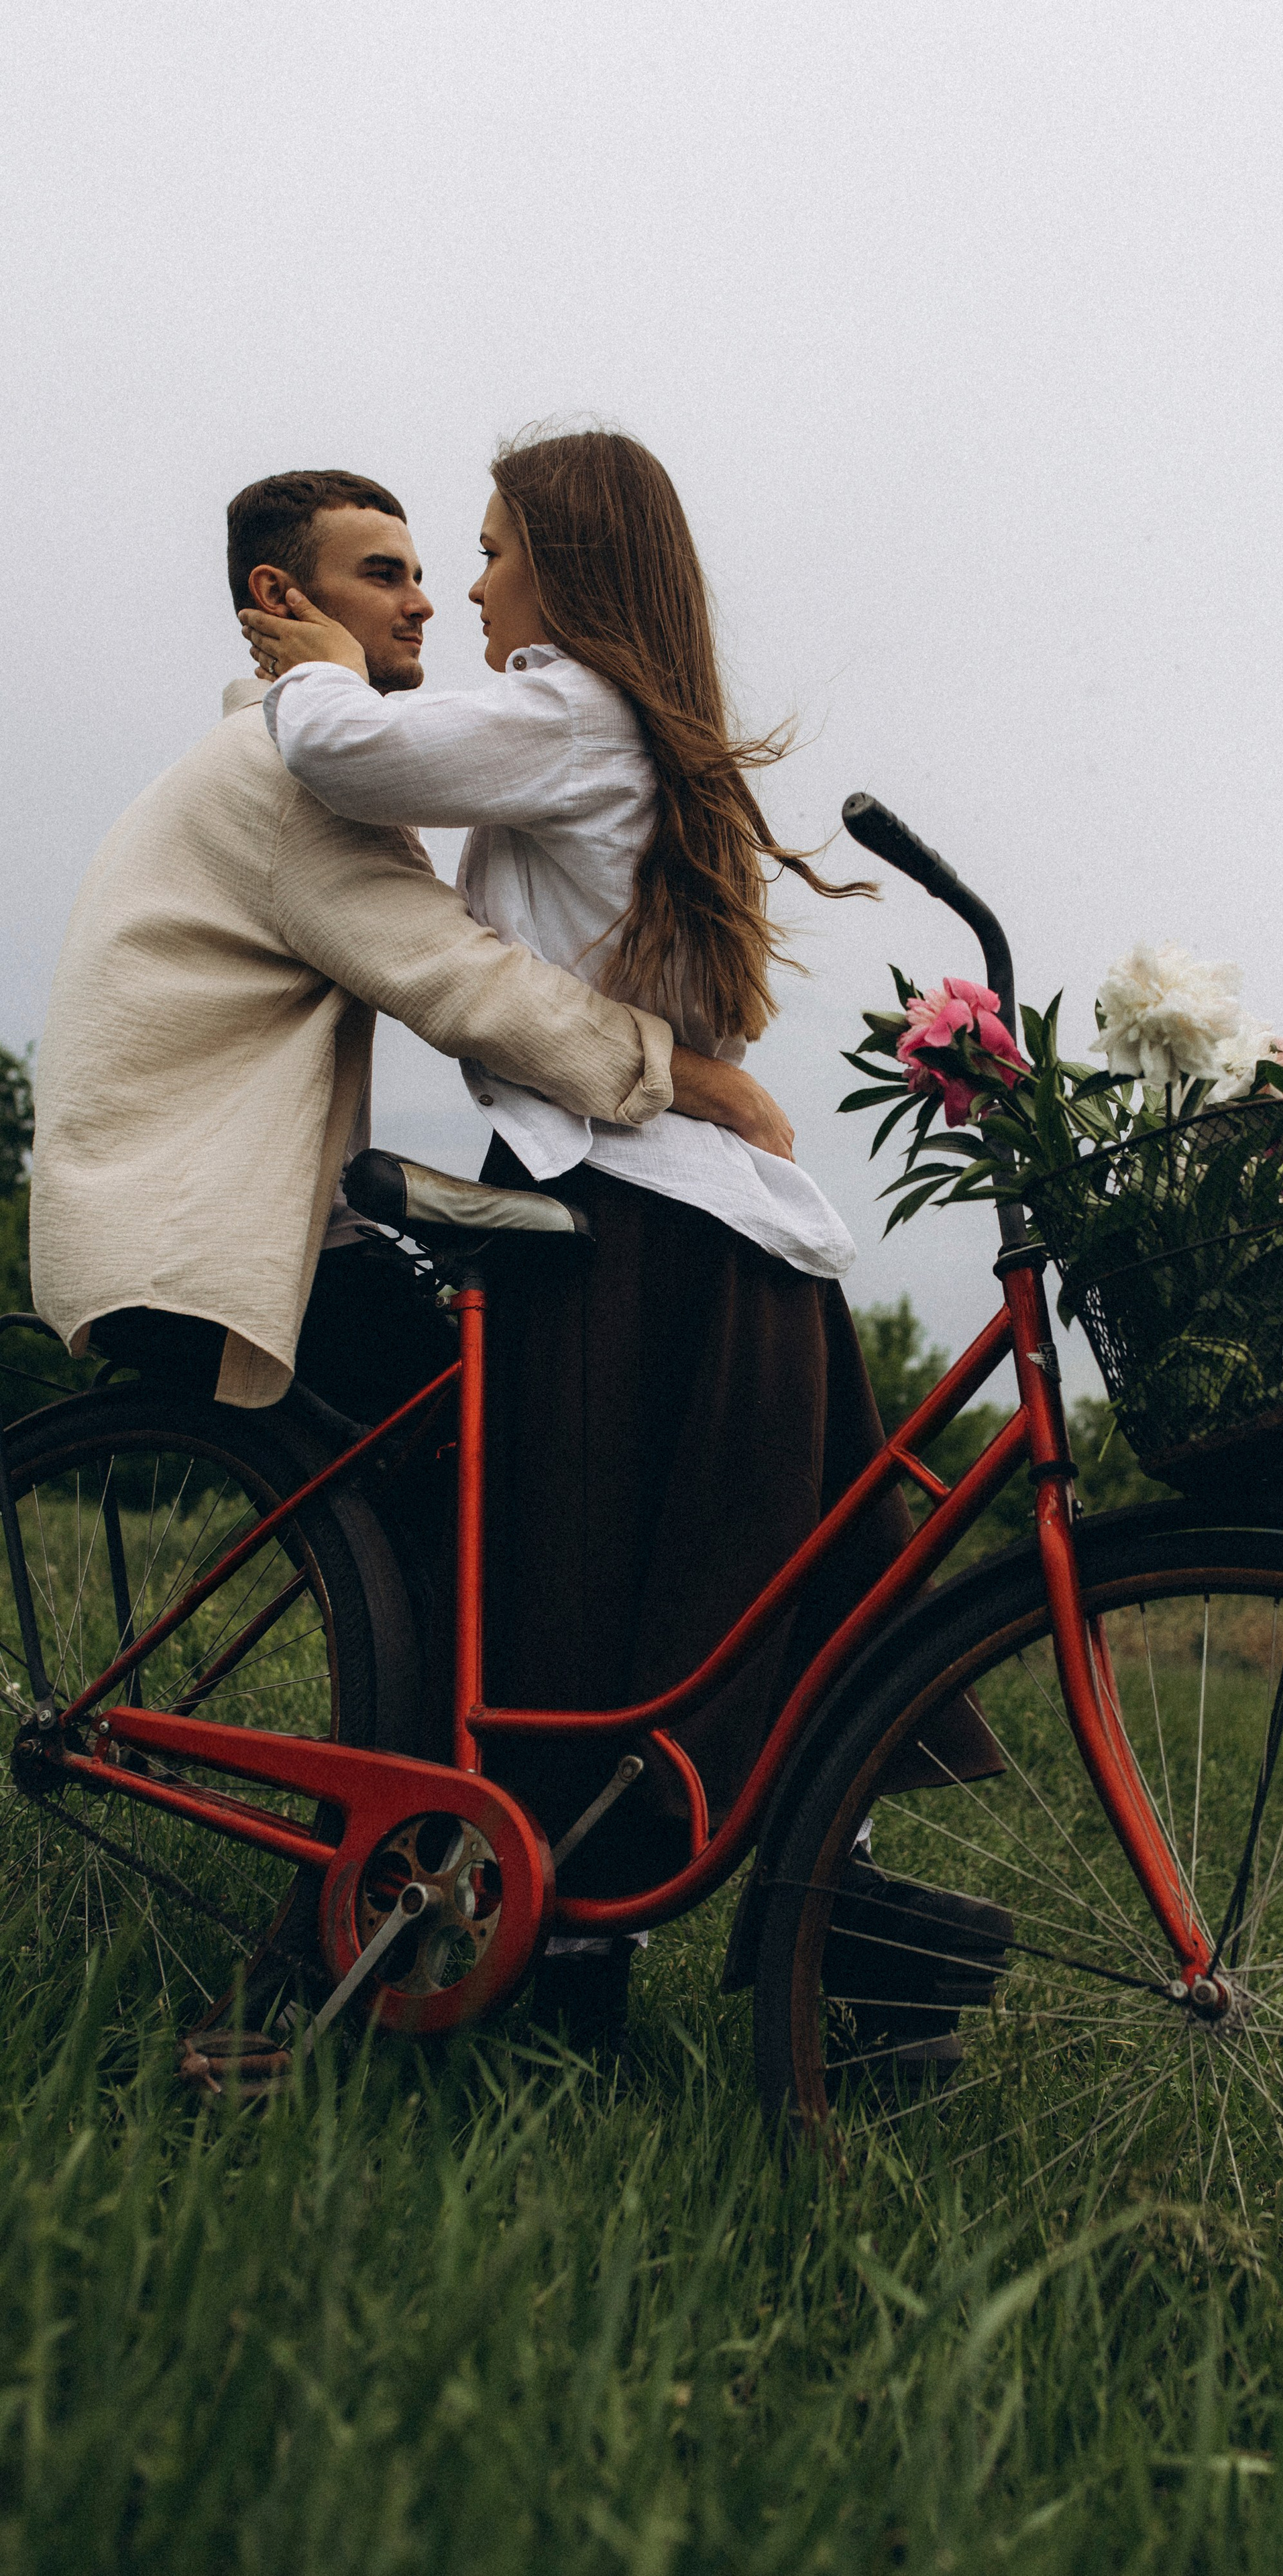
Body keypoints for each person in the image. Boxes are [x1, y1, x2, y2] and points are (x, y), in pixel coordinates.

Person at [241, 429, 1003, 2044]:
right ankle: (671, 1948)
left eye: (494, 543)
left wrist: (309, 670)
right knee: (711, 1613)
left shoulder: (567, 709)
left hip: (626, 1234)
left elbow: (353, 765)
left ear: (568, 566)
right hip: (728, 1250)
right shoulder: (640, 732)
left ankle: (534, 1958)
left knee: (568, 1595)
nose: (466, 580)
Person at [30, 467, 785, 1428]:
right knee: (485, 1461)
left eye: (427, 571)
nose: (425, 602)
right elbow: (467, 984)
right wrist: (706, 1082)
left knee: (459, 1461)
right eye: (385, 574)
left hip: (180, 1226)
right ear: (279, 598)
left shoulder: (249, 763)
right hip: (199, 1241)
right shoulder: (283, 782)